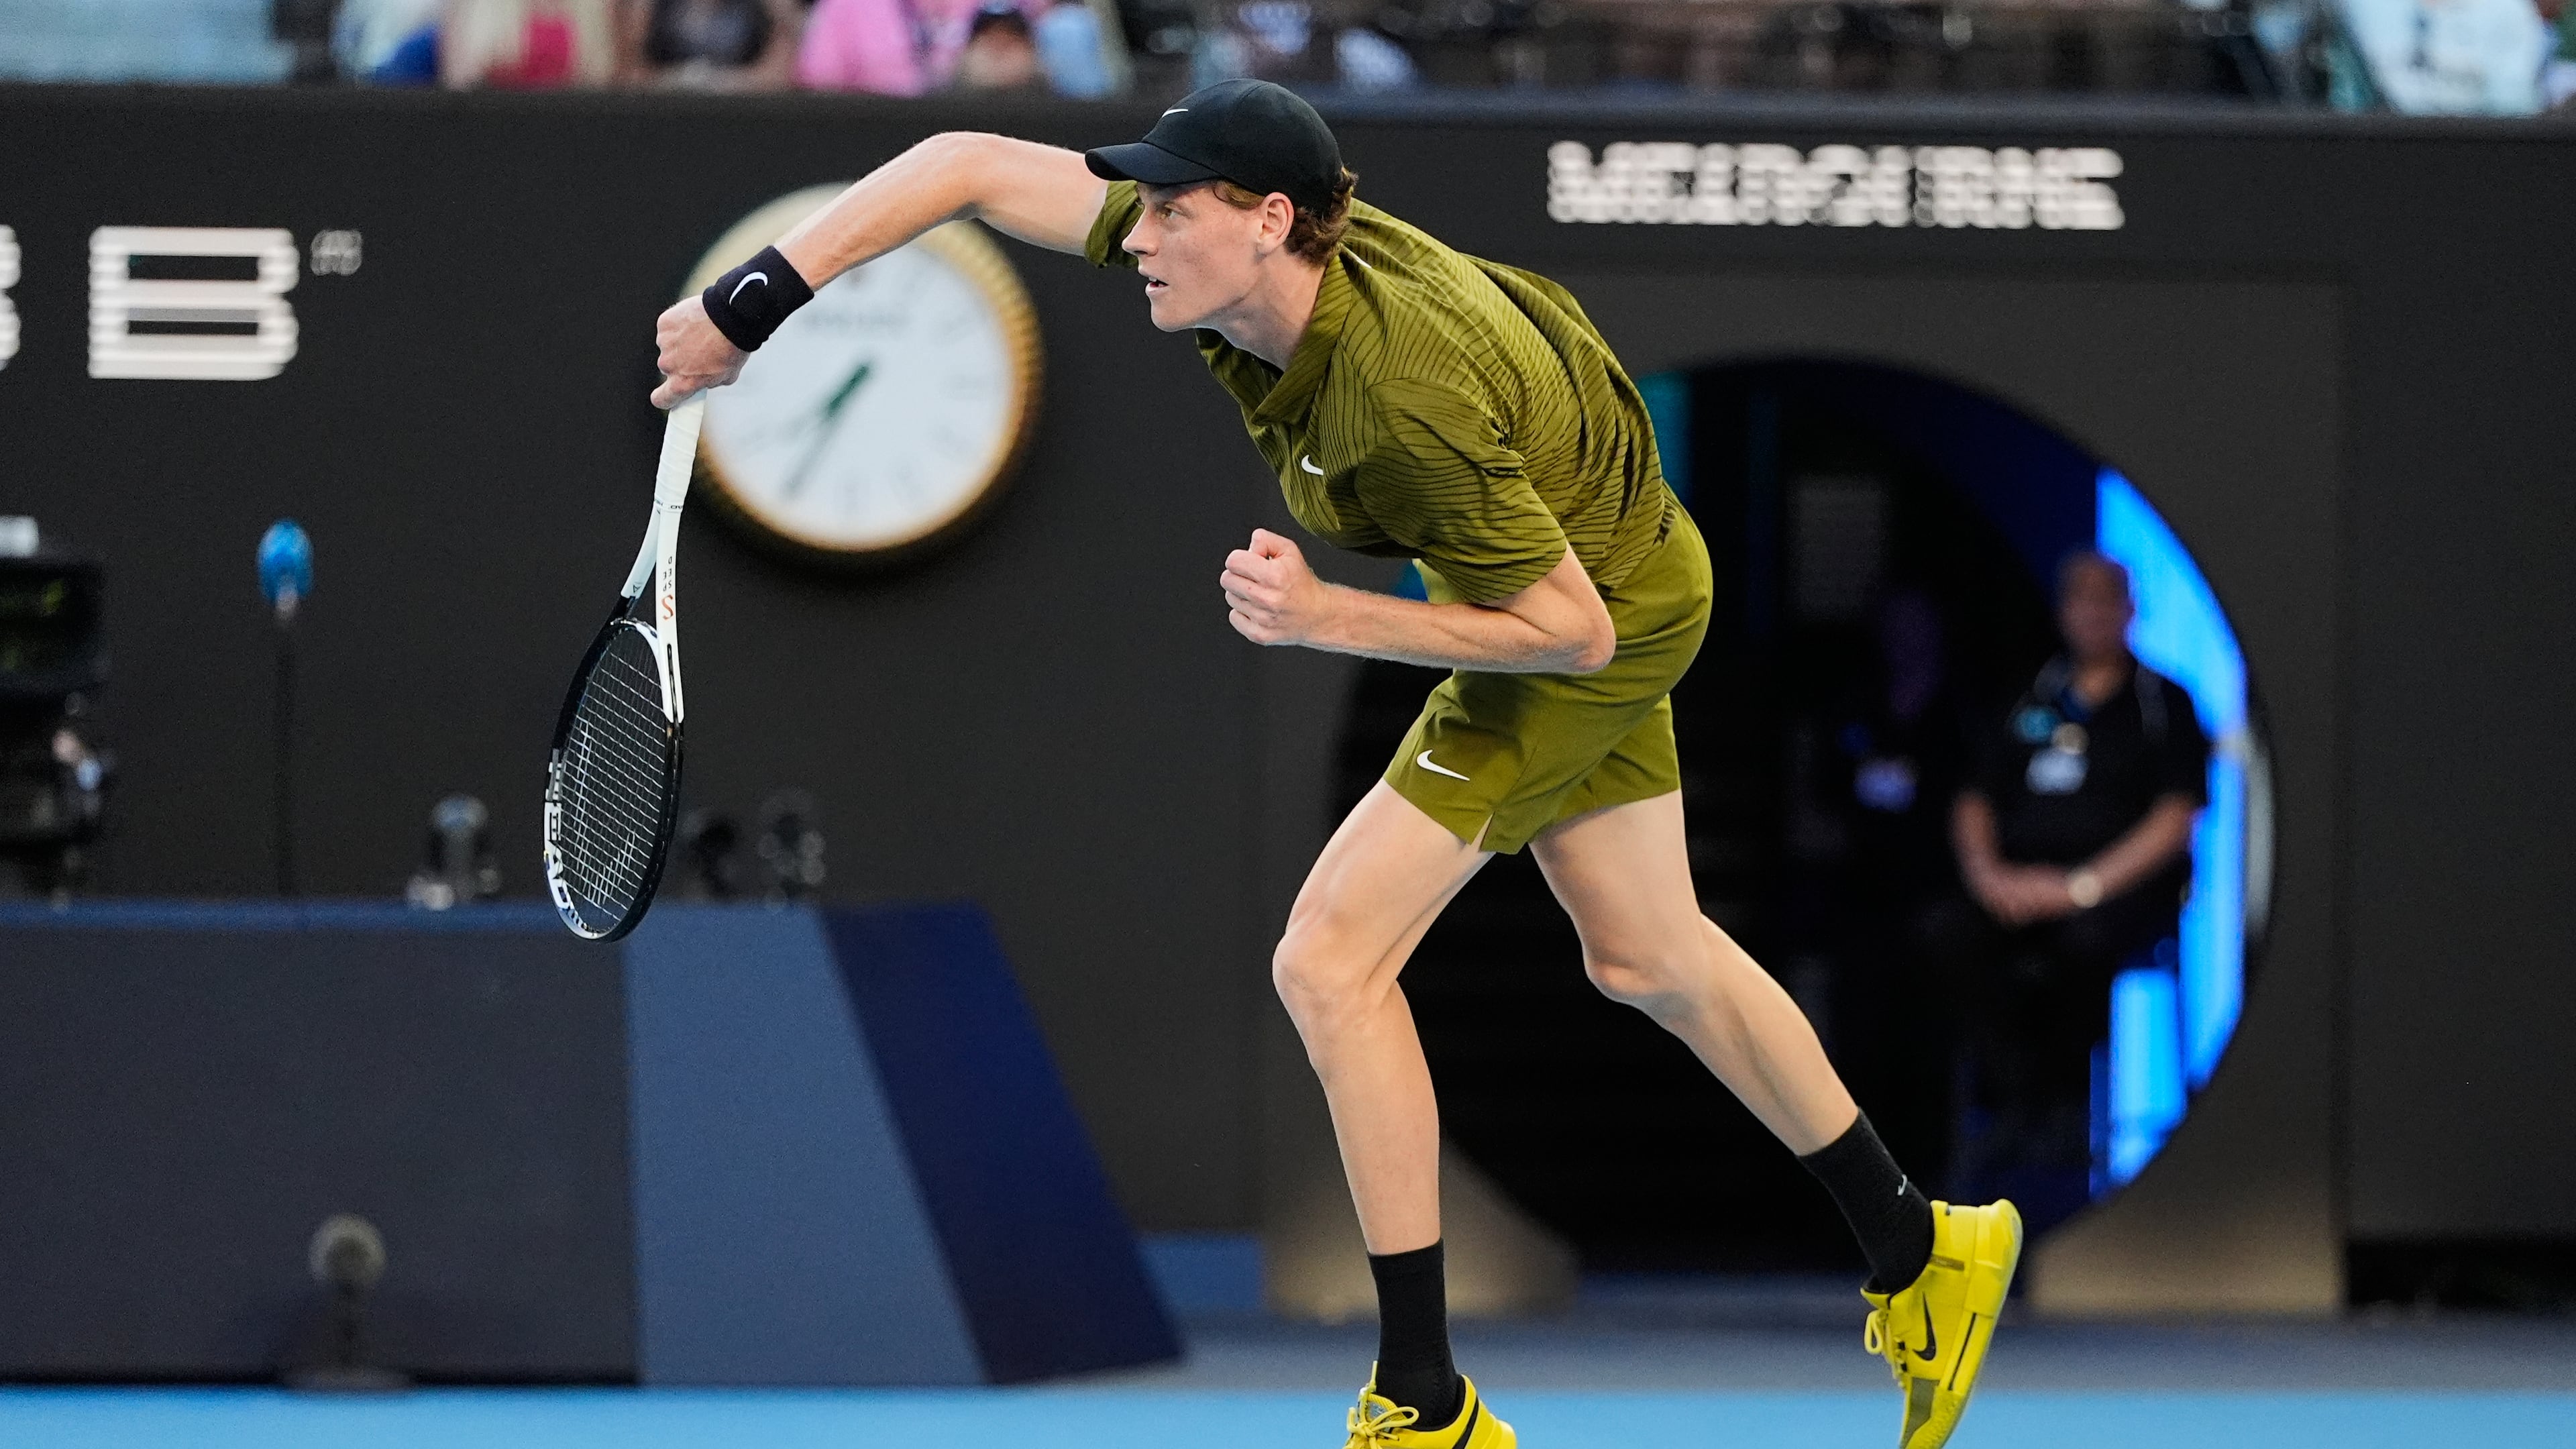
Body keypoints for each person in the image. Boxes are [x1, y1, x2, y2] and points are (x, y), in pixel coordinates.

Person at [649, 80, 2021, 1449]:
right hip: (1610, 548)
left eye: (1172, 211)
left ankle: (1423, 1401)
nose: (1139, 235)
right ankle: (1921, 1250)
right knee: (1650, 957)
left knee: (1329, 961)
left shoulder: (1397, 397)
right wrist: (752, 302)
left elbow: (1570, 631)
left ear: (1268, 221)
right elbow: (960, 163)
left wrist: (1328, 619)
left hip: (1591, 614)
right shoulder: (1249, 267)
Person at [1942, 552, 2206, 1193]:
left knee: (2082, 945)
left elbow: (2175, 819)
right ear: (2062, 611)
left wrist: (2080, 888)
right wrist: (1990, 878)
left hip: (2117, 892)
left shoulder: (2162, 703)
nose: (2092, 613)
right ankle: (2016, 1102)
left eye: (2105, 599)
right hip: (2020, 886)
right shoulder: (2030, 695)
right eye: (2079, 599)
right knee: (1946, 936)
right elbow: (1975, 797)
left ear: (2129, 609)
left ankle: (2058, 1109)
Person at [623, 0, 804, 89]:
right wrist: (679, 81)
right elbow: (629, 72)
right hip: (667, 112)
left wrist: (720, 82)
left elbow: (778, 74)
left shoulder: (762, 8)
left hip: (743, 115)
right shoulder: (654, 8)